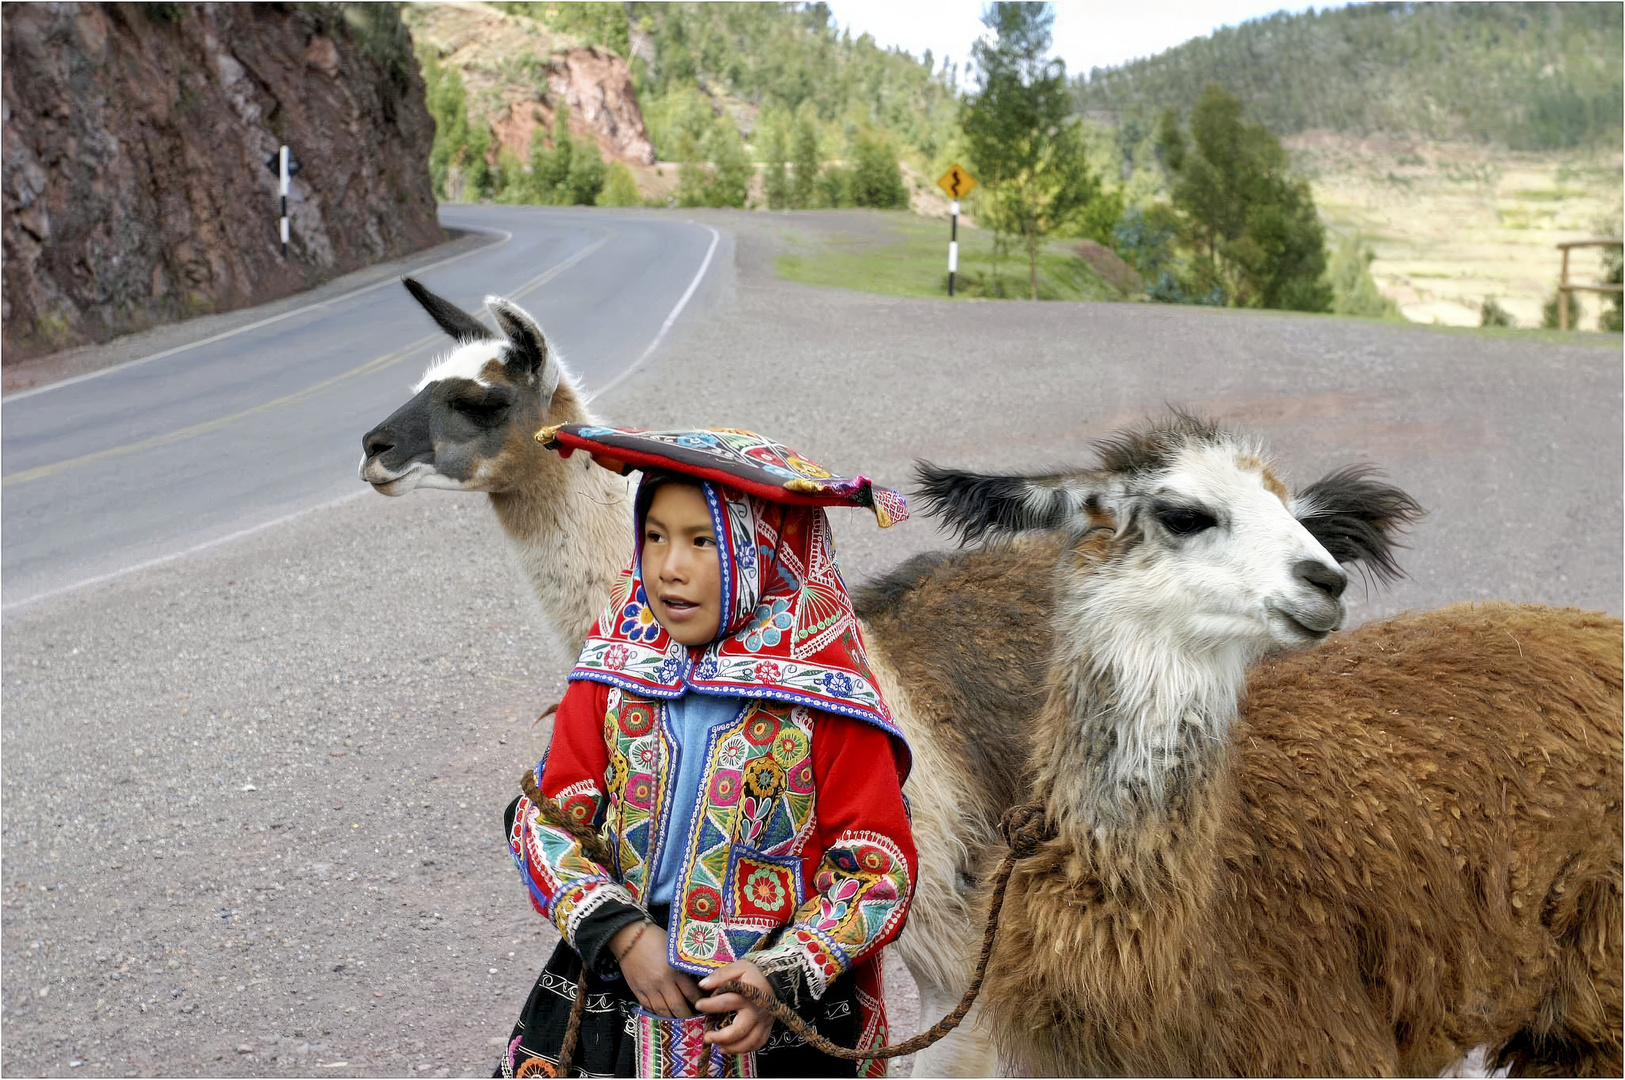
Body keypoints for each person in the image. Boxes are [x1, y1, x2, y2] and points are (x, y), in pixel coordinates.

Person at [498, 427, 916, 1079]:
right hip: (617, 993)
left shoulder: (826, 704)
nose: (668, 566)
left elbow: (874, 871)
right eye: (656, 535)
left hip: (779, 1021)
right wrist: (623, 935)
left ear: (766, 551)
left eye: (702, 541)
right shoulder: (610, 677)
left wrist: (779, 972)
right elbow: (543, 820)